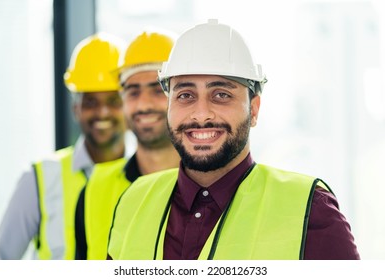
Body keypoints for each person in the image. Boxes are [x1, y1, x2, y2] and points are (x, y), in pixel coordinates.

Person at [107, 19, 360, 260]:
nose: (201, 114)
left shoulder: (311, 210)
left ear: (254, 109)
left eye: (221, 94)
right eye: (185, 95)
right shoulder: (134, 201)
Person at [0, 33, 127, 259]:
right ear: (76, 109)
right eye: (90, 102)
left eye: (113, 101)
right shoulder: (39, 178)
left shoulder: (147, 178)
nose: (102, 112)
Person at [82, 30, 180, 260]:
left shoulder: (211, 186)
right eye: (133, 92)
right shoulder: (95, 187)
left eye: (158, 90)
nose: (143, 104)